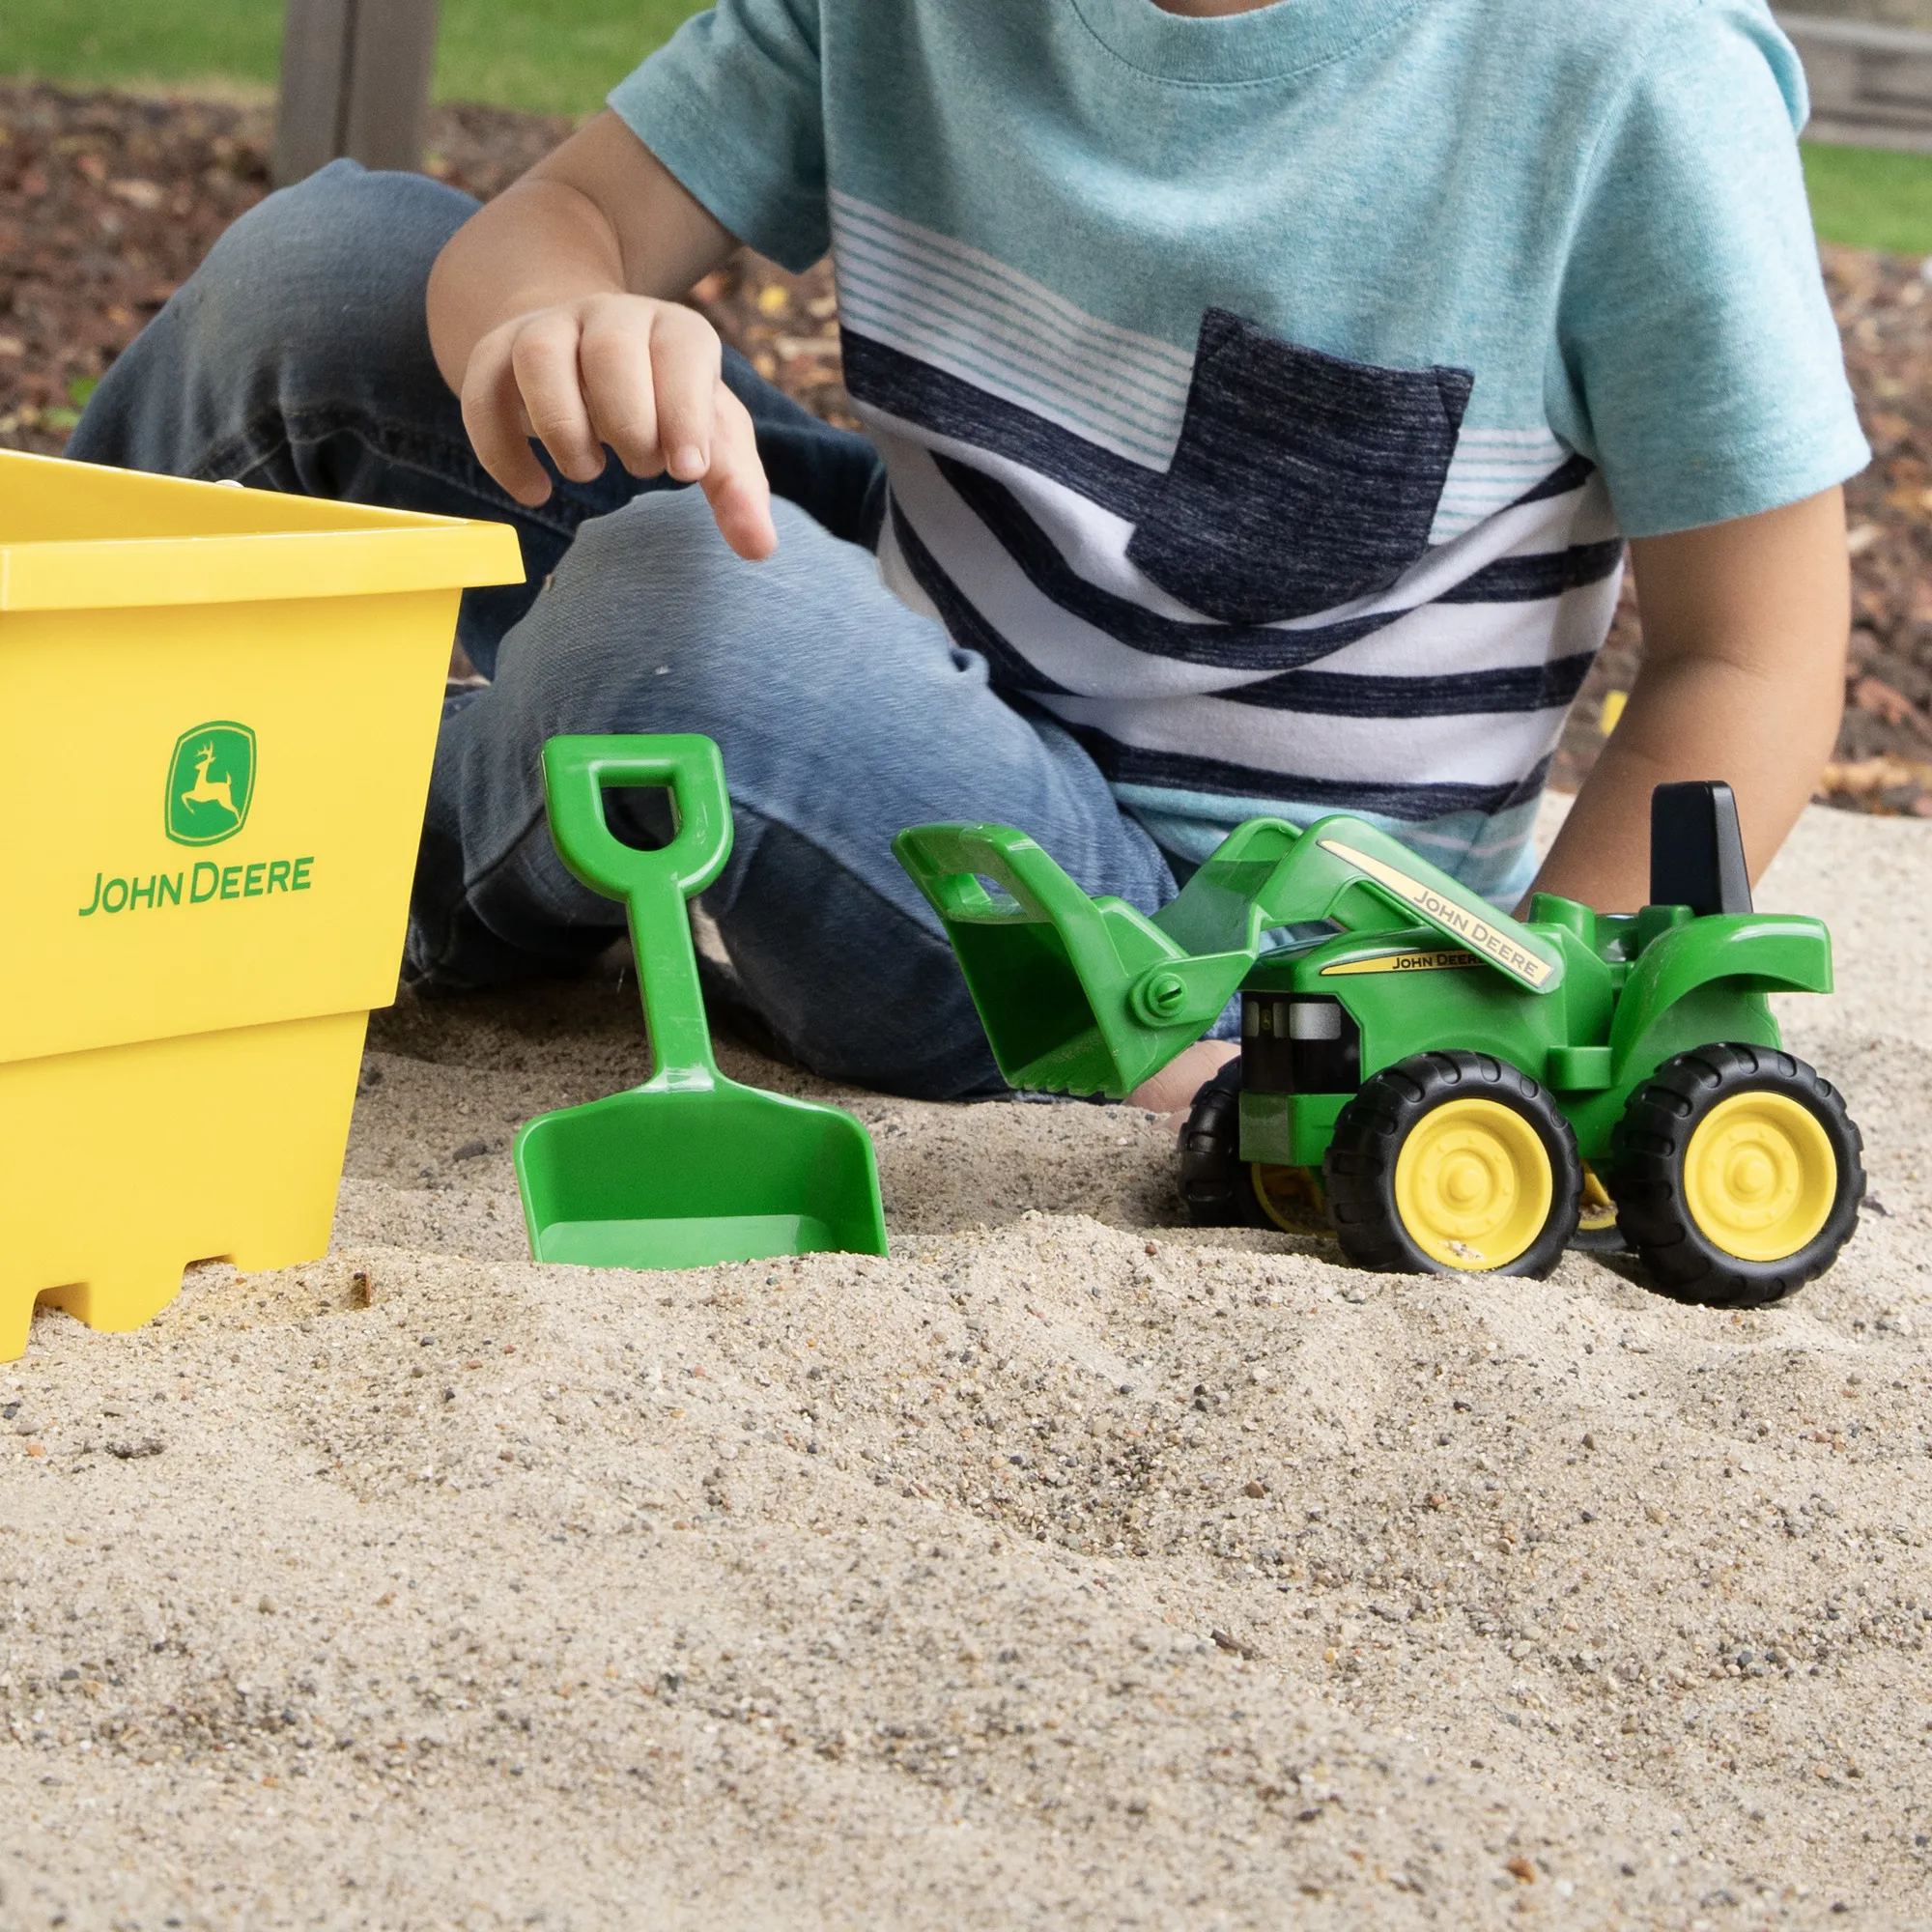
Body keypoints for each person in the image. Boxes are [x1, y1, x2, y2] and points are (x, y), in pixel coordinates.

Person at [72, 0, 1865, 1112]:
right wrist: (558, 321)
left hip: (1159, 931)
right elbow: (575, 215)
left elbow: (1751, 652)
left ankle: (264, 862)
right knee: (329, 264)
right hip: (931, 590)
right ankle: (53, 777)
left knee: (689, 634)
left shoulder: (1627, 71)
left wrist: (1504, 1029)